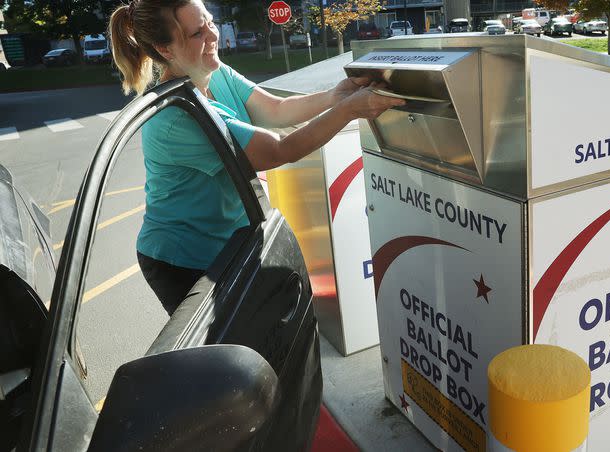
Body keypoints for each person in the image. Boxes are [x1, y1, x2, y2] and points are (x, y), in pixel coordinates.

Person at [108, 0, 403, 315]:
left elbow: (276, 109)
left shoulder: (213, 72)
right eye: (196, 33)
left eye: (209, 21)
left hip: (228, 241)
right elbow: (280, 150)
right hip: (182, 261)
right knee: (223, 357)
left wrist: (337, 95)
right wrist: (350, 110)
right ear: (165, 49)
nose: (212, 35)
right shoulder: (177, 115)